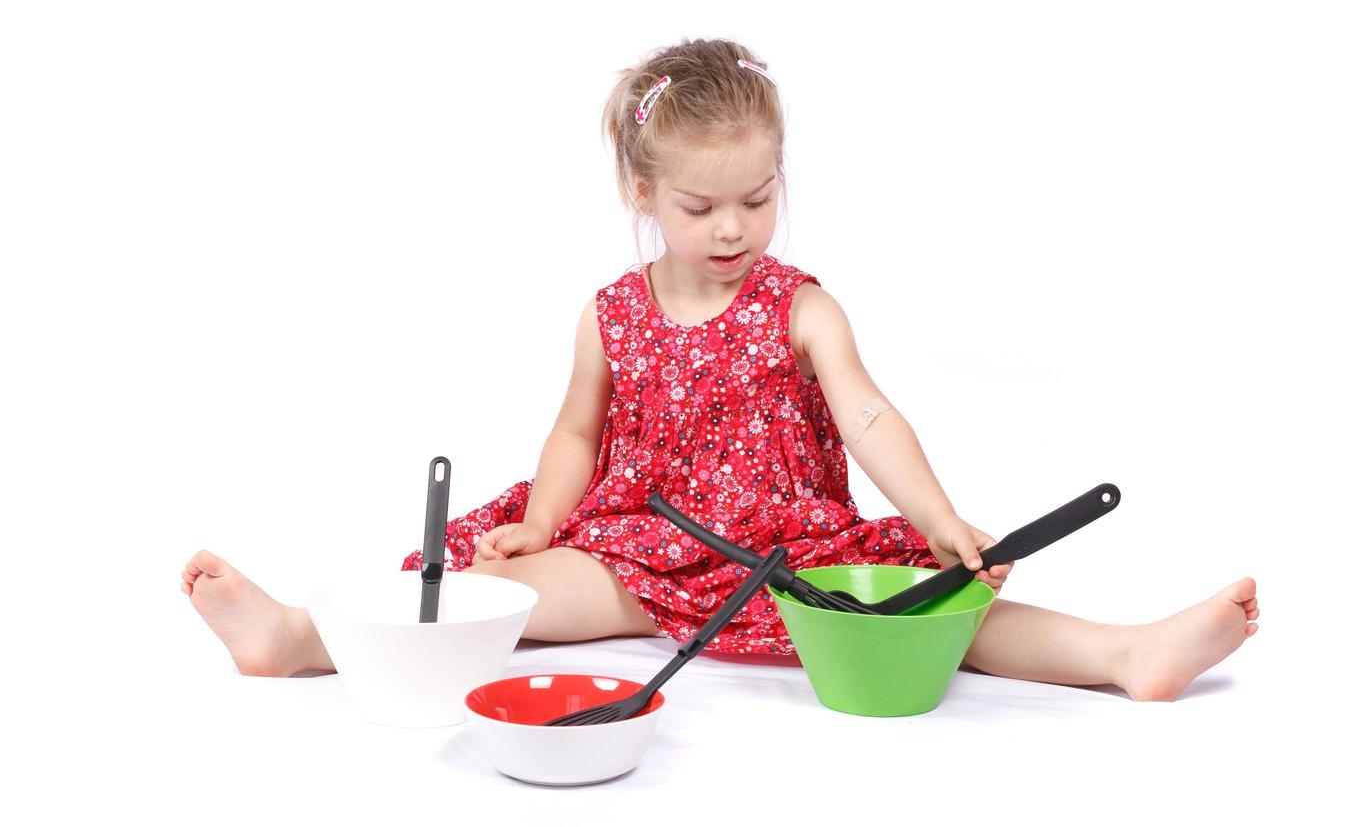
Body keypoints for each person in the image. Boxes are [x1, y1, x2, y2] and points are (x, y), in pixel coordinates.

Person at [182, 37, 1259, 701]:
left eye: (758, 194)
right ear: (641, 191)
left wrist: (942, 517)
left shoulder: (801, 306)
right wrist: (546, 522)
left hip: (780, 553)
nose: (734, 224)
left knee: (934, 617)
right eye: (702, 205)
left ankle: (1124, 654)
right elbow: (573, 431)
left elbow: (871, 417)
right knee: (481, 590)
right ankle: (296, 639)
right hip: (634, 547)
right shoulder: (610, 314)